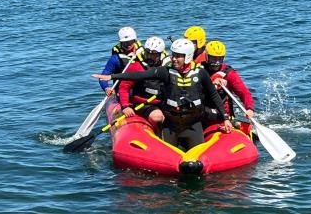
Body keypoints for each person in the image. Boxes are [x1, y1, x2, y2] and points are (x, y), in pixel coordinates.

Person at [93, 38, 233, 151]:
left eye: (178, 56)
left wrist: (225, 118)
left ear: (188, 56)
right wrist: (111, 77)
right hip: (171, 126)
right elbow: (138, 75)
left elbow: (214, 96)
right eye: (173, 55)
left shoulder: (200, 73)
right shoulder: (164, 71)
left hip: (193, 124)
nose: (173, 59)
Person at [119, 36, 169, 135]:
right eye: (148, 53)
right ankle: (158, 135)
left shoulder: (168, 66)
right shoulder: (136, 66)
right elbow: (124, 87)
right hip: (143, 104)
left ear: (160, 54)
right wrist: (125, 106)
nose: (149, 56)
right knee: (157, 117)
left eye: (153, 54)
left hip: (163, 103)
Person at [201, 40, 255, 134]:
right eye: (213, 59)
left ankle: (237, 125)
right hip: (202, 113)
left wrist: (249, 108)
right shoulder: (199, 70)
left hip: (222, 116)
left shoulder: (229, 74)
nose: (216, 62)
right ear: (206, 57)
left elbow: (244, 92)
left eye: (219, 59)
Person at [99, 26, 142, 95]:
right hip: (123, 90)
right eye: (125, 42)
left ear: (134, 40)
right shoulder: (115, 59)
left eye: (130, 42)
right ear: (121, 43)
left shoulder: (143, 53)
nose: (127, 45)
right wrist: (106, 88)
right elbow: (103, 77)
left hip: (140, 88)